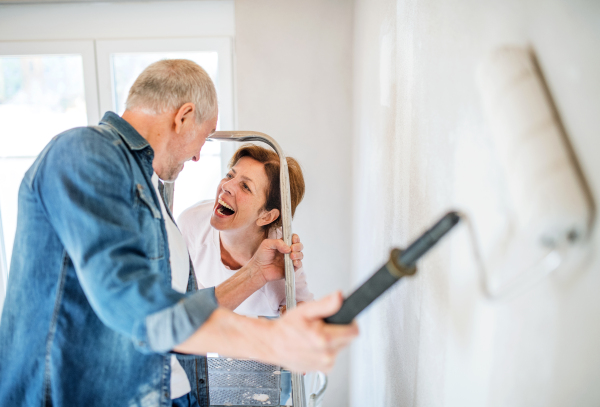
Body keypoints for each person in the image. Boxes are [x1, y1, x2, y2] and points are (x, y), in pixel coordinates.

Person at [0, 59, 358, 407]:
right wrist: (270, 341)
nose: (200, 156)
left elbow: (177, 305)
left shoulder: (147, 188)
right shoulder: (84, 152)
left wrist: (256, 275)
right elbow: (132, 301)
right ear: (183, 116)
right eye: (203, 137)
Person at [178, 144, 313, 318]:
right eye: (229, 175)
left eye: (246, 187)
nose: (227, 186)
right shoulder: (192, 223)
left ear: (267, 216)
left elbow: (305, 314)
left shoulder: (280, 255)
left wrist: (295, 315)